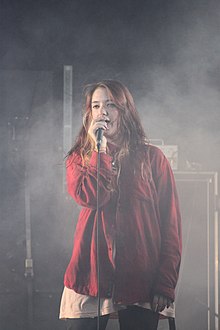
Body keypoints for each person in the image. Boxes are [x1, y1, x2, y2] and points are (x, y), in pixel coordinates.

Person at [59, 80, 182, 330]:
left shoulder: (153, 159)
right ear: (89, 113)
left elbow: (171, 226)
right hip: (90, 276)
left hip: (141, 278)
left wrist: (165, 282)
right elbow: (91, 197)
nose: (102, 112)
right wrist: (100, 152)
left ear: (125, 111)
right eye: (96, 105)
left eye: (111, 105)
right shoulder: (78, 158)